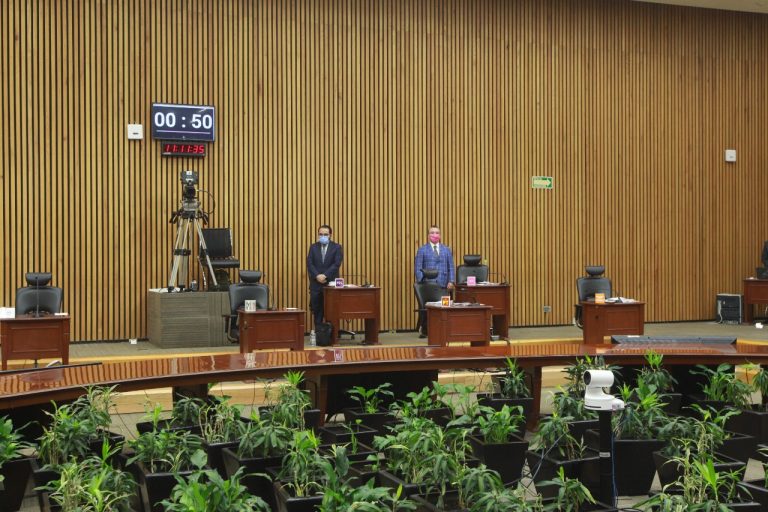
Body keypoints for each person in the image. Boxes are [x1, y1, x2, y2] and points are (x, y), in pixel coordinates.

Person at [307, 224, 343, 328]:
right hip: (316, 284)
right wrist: (317, 276)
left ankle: (332, 336)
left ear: (330, 235)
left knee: (332, 311)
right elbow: (310, 263)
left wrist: (325, 275)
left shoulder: (337, 247)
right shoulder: (313, 247)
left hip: (330, 284)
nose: (323, 236)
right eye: (320, 234)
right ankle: (319, 335)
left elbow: (337, 264)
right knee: (317, 311)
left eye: (325, 234)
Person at [415, 224, 456, 289]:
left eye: (437, 233)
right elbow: (418, 268)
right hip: (427, 285)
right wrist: (422, 282)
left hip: (444, 284)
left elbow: (451, 267)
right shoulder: (422, 250)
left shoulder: (446, 249)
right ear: (428, 236)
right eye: (432, 233)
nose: (435, 235)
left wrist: (451, 281)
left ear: (440, 235)